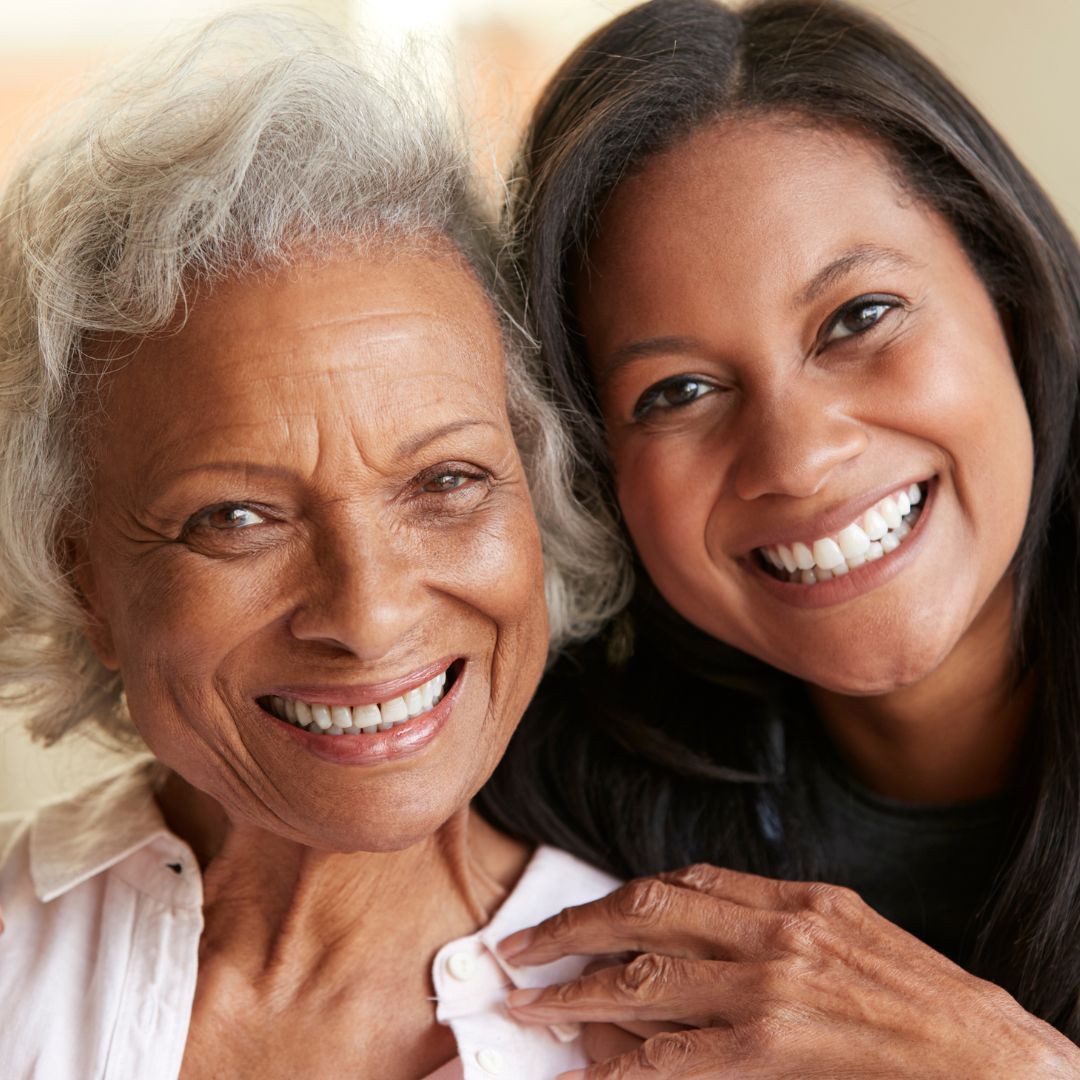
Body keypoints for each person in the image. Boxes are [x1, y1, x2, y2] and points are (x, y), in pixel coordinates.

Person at [0, 16, 629, 1079]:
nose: (371, 613)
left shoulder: (697, 1026)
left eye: (447, 482)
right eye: (236, 518)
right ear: (85, 580)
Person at [477, 0, 1080, 1073]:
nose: (796, 458)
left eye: (857, 318)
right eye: (679, 391)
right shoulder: (545, 806)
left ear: (1005, 285)